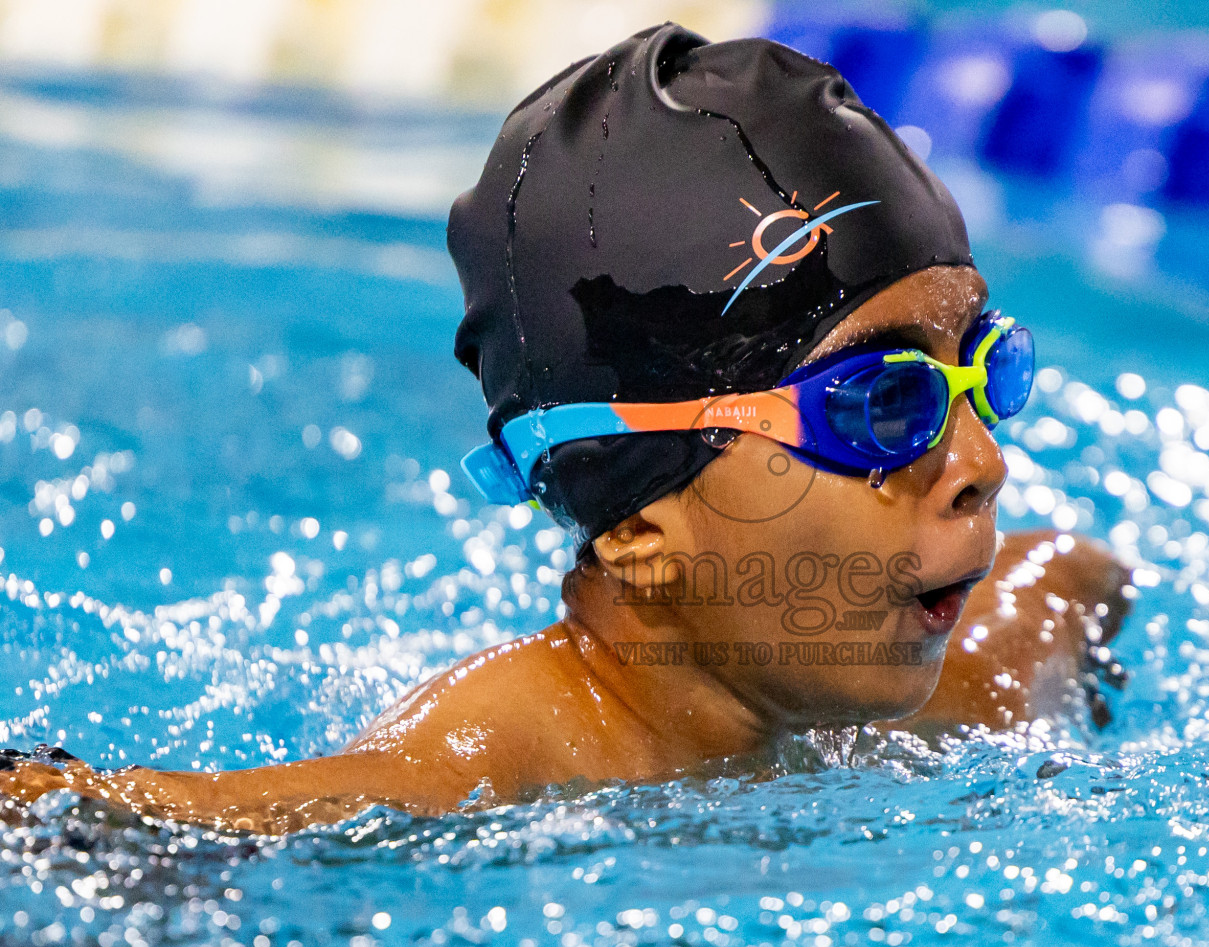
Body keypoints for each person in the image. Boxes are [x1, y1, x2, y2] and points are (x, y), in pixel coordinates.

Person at [0, 24, 1130, 835]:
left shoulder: (955, 696)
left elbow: (1077, 583)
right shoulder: (473, 782)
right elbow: (115, 823)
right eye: (885, 407)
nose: (982, 462)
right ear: (638, 517)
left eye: (989, 373)